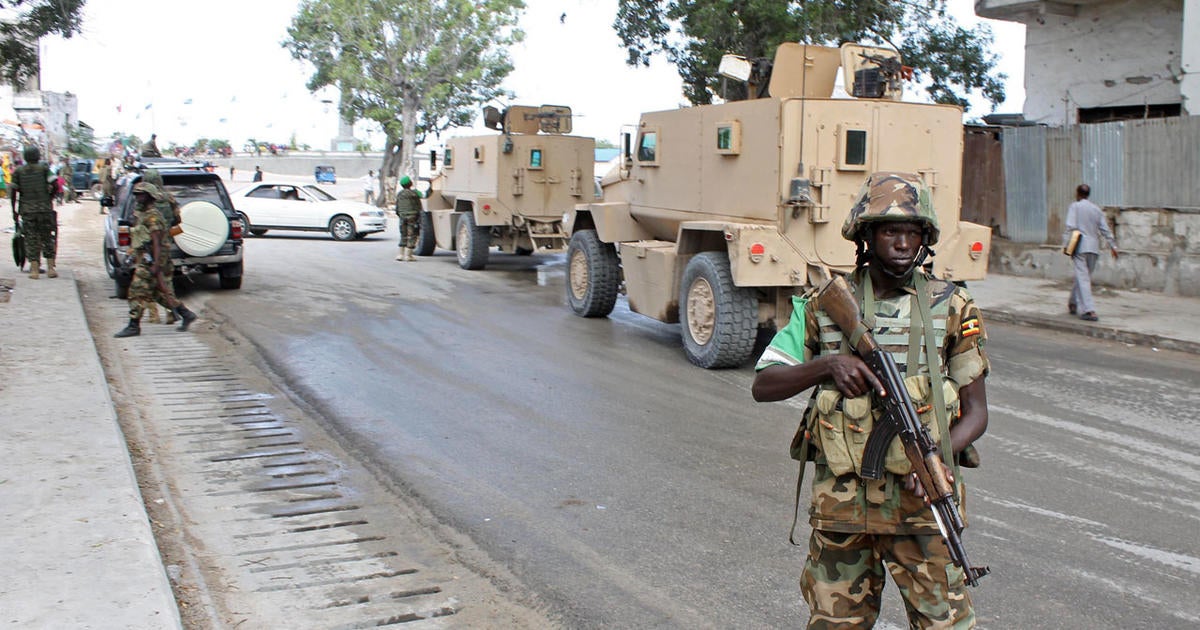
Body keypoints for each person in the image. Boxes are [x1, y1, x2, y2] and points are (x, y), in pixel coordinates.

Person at [751, 172, 989, 629]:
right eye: (889, 231)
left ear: (926, 240)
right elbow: (765, 385)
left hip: (922, 513)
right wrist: (827, 366)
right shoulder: (824, 305)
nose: (902, 243)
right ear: (866, 235)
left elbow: (977, 413)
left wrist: (937, 456)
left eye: (912, 233)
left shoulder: (954, 307)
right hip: (843, 516)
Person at [114, 182, 197, 338]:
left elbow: (157, 242)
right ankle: (186, 314)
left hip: (152, 259)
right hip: (147, 257)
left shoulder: (153, 217)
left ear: (149, 197)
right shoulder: (143, 214)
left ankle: (133, 325)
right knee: (158, 294)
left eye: (141, 194)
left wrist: (156, 265)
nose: (138, 197)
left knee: (136, 291)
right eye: (137, 194)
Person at [1064, 184, 1119, 322]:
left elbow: (1070, 227)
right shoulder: (1096, 209)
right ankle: (1073, 302)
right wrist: (1113, 246)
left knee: (1083, 278)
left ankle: (1089, 310)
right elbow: (1105, 229)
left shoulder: (1075, 207)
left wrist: (1066, 245)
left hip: (1080, 245)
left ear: (1078, 193)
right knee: (1083, 276)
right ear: (1088, 194)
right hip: (1094, 248)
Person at [9, 145, 59, 279]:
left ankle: (35, 270)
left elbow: (13, 192)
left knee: (31, 238)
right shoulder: (44, 169)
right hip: (44, 209)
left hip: (27, 210)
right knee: (47, 237)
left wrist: (14, 210)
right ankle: (50, 268)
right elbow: (56, 185)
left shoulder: (19, 171)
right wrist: (50, 198)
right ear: (37, 156)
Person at [393, 175, 423, 261]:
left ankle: (400, 255)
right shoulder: (415, 193)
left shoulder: (399, 194)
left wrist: (400, 215)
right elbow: (425, 195)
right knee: (412, 235)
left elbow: (397, 207)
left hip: (402, 216)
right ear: (410, 184)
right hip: (412, 217)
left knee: (403, 234)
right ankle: (408, 255)